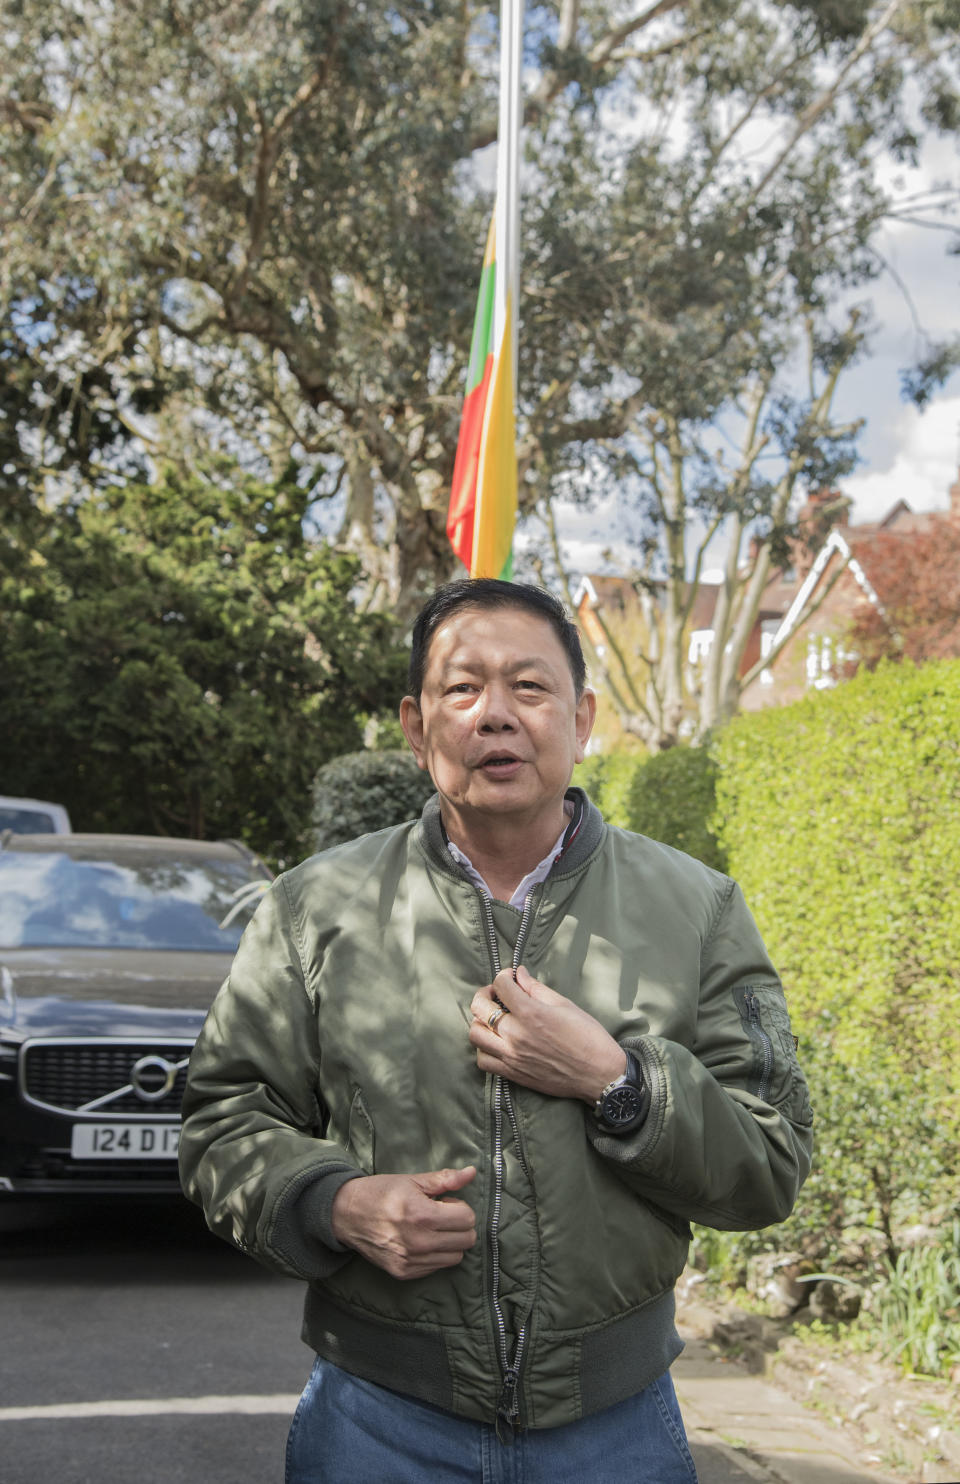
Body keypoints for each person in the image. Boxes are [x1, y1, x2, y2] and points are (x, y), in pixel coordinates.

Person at [179, 578, 813, 1484]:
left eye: (529, 686)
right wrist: (334, 1203)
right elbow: (219, 1124)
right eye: (461, 688)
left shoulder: (699, 908)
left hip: (616, 1433)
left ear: (582, 716)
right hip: (376, 1423)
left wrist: (622, 1084)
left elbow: (774, 1155)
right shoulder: (317, 906)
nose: (495, 716)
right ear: (414, 724)